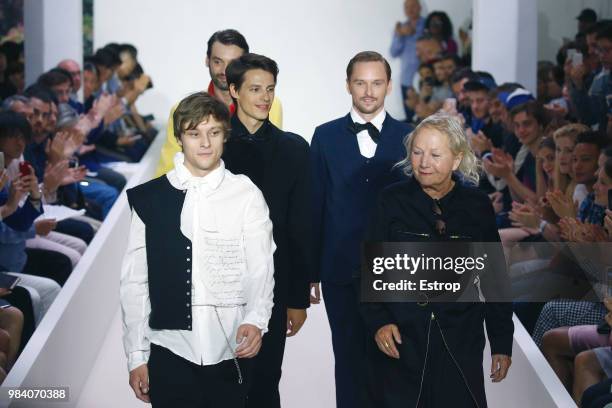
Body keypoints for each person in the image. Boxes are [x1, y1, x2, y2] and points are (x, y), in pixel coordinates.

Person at [121, 92, 275, 407]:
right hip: (169, 347)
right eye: (194, 133)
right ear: (179, 138)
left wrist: (257, 319)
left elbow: (260, 266)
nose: (204, 143)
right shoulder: (149, 199)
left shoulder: (246, 194)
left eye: (213, 132)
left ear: (225, 136)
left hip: (231, 346)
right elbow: (135, 282)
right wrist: (136, 355)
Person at [361, 112, 514, 407]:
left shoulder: (476, 205)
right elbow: (371, 269)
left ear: (456, 159)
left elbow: (494, 278)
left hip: (460, 339)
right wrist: (379, 321)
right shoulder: (390, 201)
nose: (423, 163)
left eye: (434, 154)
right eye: (417, 153)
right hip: (403, 338)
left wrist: (501, 343)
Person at [311, 51, 412, 408]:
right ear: (348, 85)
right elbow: (316, 204)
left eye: (377, 83)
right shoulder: (324, 137)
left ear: (387, 85)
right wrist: (311, 273)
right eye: (360, 82)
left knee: (396, 363)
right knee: (349, 362)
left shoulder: (410, 136)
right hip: (341, 269)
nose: (369, 91)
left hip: (397, 270)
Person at [223, 53, 311, 408]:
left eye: (270, 89)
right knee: (222, 381)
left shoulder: (294, 148)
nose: (264, 97)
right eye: (255, 89)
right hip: (221, 282)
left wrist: (297, 298)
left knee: (265, 379)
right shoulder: (215, 146)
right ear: (233, 90)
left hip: (274, 283)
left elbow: (300, 225)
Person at [155, 29, 283, 177]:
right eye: (217, 61)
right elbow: (169, 168)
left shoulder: (269, 105)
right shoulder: (182, 109)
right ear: (206, 60)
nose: (225, 70)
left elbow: (273, 158)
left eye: (233, 63)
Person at [390, 0, 425, 121]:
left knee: (425, 116)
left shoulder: (427, 24)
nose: (410, 10)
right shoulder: (401, 28)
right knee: (410, 118)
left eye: (413, 6)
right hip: (407, 80)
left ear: (420, 7)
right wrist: (400, 35)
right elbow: (393, 52)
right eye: (407, 7)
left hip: (425, 77)